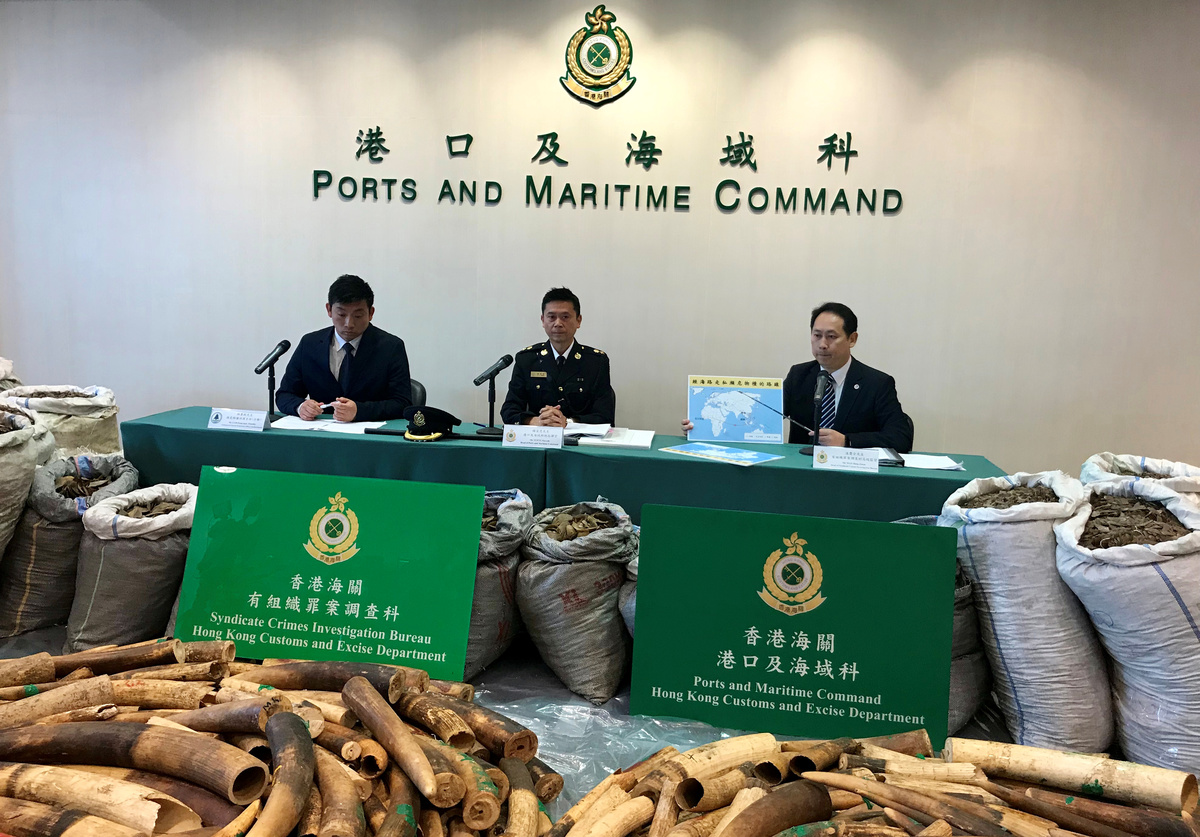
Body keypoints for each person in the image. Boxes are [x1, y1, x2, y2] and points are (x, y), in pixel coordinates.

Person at [683, 302, 913, 452]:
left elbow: (900, 437)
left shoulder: (876, 383)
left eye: (831, 337)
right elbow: (759, 417)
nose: (822, 344)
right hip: (801, 471)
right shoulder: (799, 375)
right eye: (817, 335)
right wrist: (703, 425)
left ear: (852, 339)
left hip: (852, 476)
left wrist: (847, 441)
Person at [276, 275, 413, 422]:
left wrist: (359, 411)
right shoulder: (309, 344)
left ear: (371, 313)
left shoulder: (390, 347)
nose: (349, 324)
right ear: (329, 310)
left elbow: (402, 403)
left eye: (358, 316)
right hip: (320, 430)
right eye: (341, 314)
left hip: (369, 431)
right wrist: (300, 406)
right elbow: (285, 394)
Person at [501, 287, 616, 427]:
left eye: (565, 317)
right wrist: (536, 421)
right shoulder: (527, 360)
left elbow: (605, 416)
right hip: (538, 436)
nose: (558, 323)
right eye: (551, 317)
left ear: (578, 320)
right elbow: (509, 410)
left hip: (579, 438)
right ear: (543, 320)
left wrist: (567, 423)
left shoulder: (595, 362)